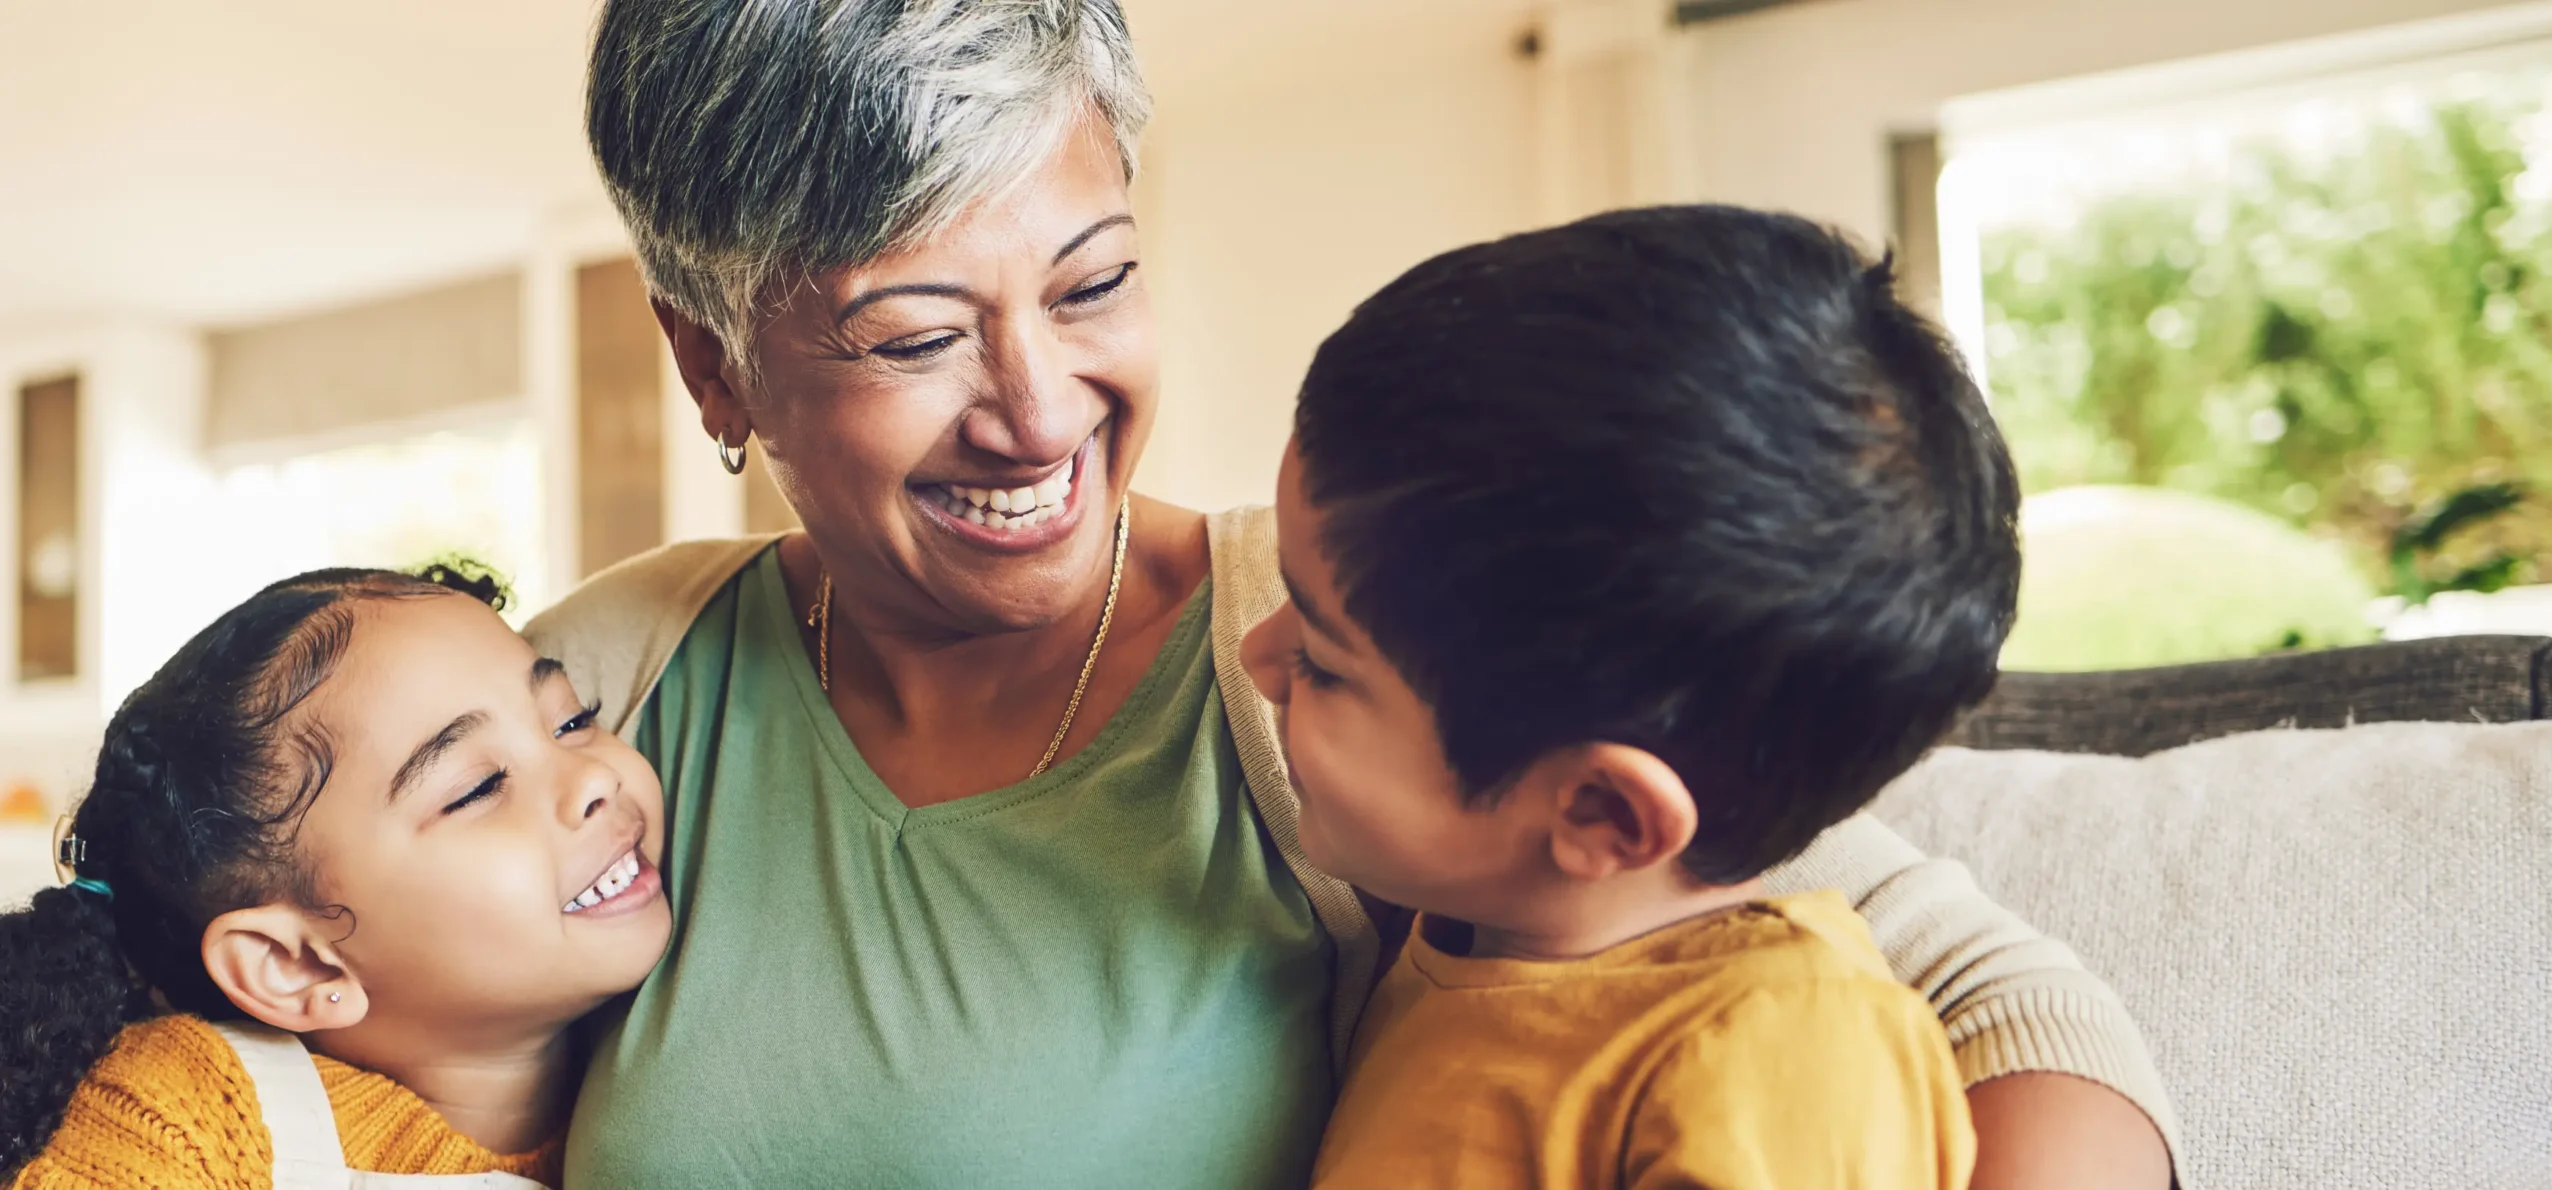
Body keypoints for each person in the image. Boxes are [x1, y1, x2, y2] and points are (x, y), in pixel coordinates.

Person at [536, 2, 2179, 1186]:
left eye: (1094, 280)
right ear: (715, 363)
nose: (1039, 409)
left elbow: (1980, 997)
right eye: (914, 336)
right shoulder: (599, 691)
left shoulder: (1369, 644)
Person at [1243, 204, 2005, 1188]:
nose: (1258, 659)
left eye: (1321, 661)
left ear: (1600, 812)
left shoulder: (1777, 1051)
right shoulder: (1463, 935)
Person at [1, 565, 669, 1189]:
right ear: (296, 964)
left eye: (573, 720)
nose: (595, 776)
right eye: (479, 787)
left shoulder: (680, 1072)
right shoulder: (189, 1120)